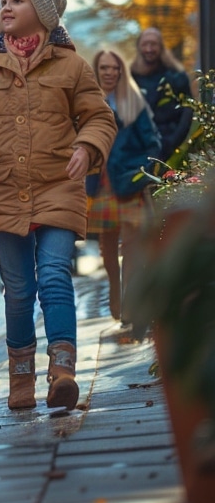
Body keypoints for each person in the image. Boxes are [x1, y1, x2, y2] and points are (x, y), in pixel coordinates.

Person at [0, 0, 116, 412]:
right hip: (4, 190)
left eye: (17, 0)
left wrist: (88, 146)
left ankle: (63, 369)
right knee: (17, 289)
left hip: (59, 186)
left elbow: (99, 117)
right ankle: (21, 377)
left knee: (55, 275)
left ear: (41, 11)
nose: (6, 8)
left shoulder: (72, 66)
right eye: (4, 0)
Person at [87, 50, 160, 321]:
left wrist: (141, 172)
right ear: (97, 70)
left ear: (121, 71)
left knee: (130, 246)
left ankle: (128, 302)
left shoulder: (134, 102)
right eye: (104, 67)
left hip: (129, 182)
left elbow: (153, 143)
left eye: (114, 68)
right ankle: (114, 291)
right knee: (107, 248)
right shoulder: (89, 101)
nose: (109, 72)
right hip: (101, 183)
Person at [130, 27, 193, 161]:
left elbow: (188, 110)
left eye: (153, 44)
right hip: (138, 149)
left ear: (161, 47)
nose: (149, 49)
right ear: (139, 47)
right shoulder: (131, 77)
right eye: (145, 44)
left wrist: (173, 141)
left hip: (171, 146)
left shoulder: (176, 76)